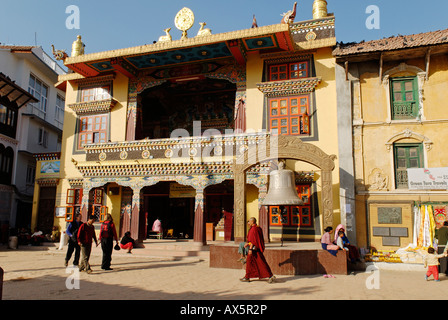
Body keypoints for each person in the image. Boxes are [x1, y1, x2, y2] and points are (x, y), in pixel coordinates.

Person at [240, 217, 275, 283]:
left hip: (254, 250)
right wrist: (248, 243)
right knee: (254, 263)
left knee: (260, 263)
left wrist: (250, 249)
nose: (248, 223)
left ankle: (270, 276)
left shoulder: (254, 229)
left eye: (249, 221)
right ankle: (247, 276)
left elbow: (254, 241)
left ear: (252, 222)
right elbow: (254, 240)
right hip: (255, 248)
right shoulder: (257, 228)